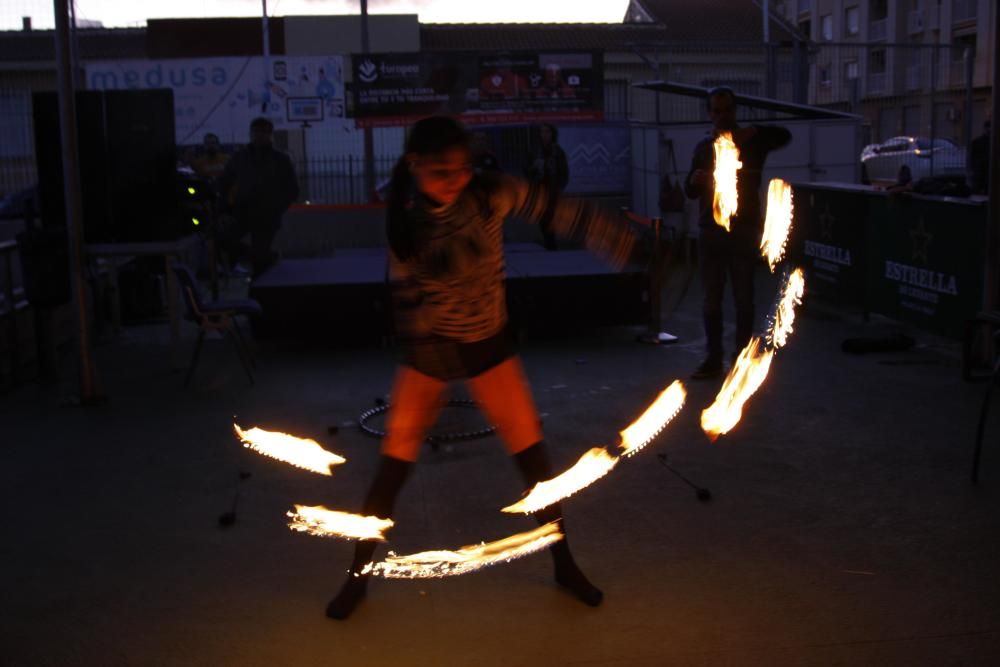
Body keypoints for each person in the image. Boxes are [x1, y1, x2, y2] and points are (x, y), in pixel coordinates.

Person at [326, 115, 647, 620]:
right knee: (392, 468)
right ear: (414, 166)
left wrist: (621, 239)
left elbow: (558, 210)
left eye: (459, 168)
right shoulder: (406, 222)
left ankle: (564, 562)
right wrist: (428, 356)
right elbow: (407, 304)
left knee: (536, 468)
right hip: (430, 352)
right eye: (439, 171)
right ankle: (357, 576)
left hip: (490, 346)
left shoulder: (488, 193)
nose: (453, 180)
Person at [684, 87, 791, 379]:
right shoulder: (704, 148)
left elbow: (784, 135)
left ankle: (741, 357)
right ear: (709, 114)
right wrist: (695, 180)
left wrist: (754, 130)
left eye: (727, 110)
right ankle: (714, 358)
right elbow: (689, 190)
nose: (722, 116)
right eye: (716, 111)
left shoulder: (751, 142)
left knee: (744, 296)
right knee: (711, 298)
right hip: (711, 231)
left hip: (742, 230)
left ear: (735, 110)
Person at [217, 118, 299, 278]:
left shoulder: (280, 160)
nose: (259, 136)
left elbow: (292, 190)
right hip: (242, 212)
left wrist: (277, 208)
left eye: (263, 133)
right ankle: (266, 257)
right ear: (251, 134)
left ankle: (259, 287)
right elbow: (224, 183)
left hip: (266, 215)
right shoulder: (240, 158)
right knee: (223, 239)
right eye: (256, 132)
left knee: (259, 262)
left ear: (270, 135)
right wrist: (225, 208)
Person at [524, 123, 570, 250]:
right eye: (542, 132)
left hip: (552, 191)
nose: (544, 135)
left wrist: (558, 188)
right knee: (542, 219)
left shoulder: (558, 151)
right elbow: (526, 171)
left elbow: (564, 173)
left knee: (551, 218)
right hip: (539, 191)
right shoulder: (534, 151)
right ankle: (548, 242)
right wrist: (533, 168)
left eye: (547, 132)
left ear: (552, 134)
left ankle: (551, 244)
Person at [970, 119, 991, 195]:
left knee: (978, 188)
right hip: (982, 168)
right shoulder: (977, 142)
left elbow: (972, 156)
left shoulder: (977, 141)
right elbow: (972, 155)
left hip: (980, 168)